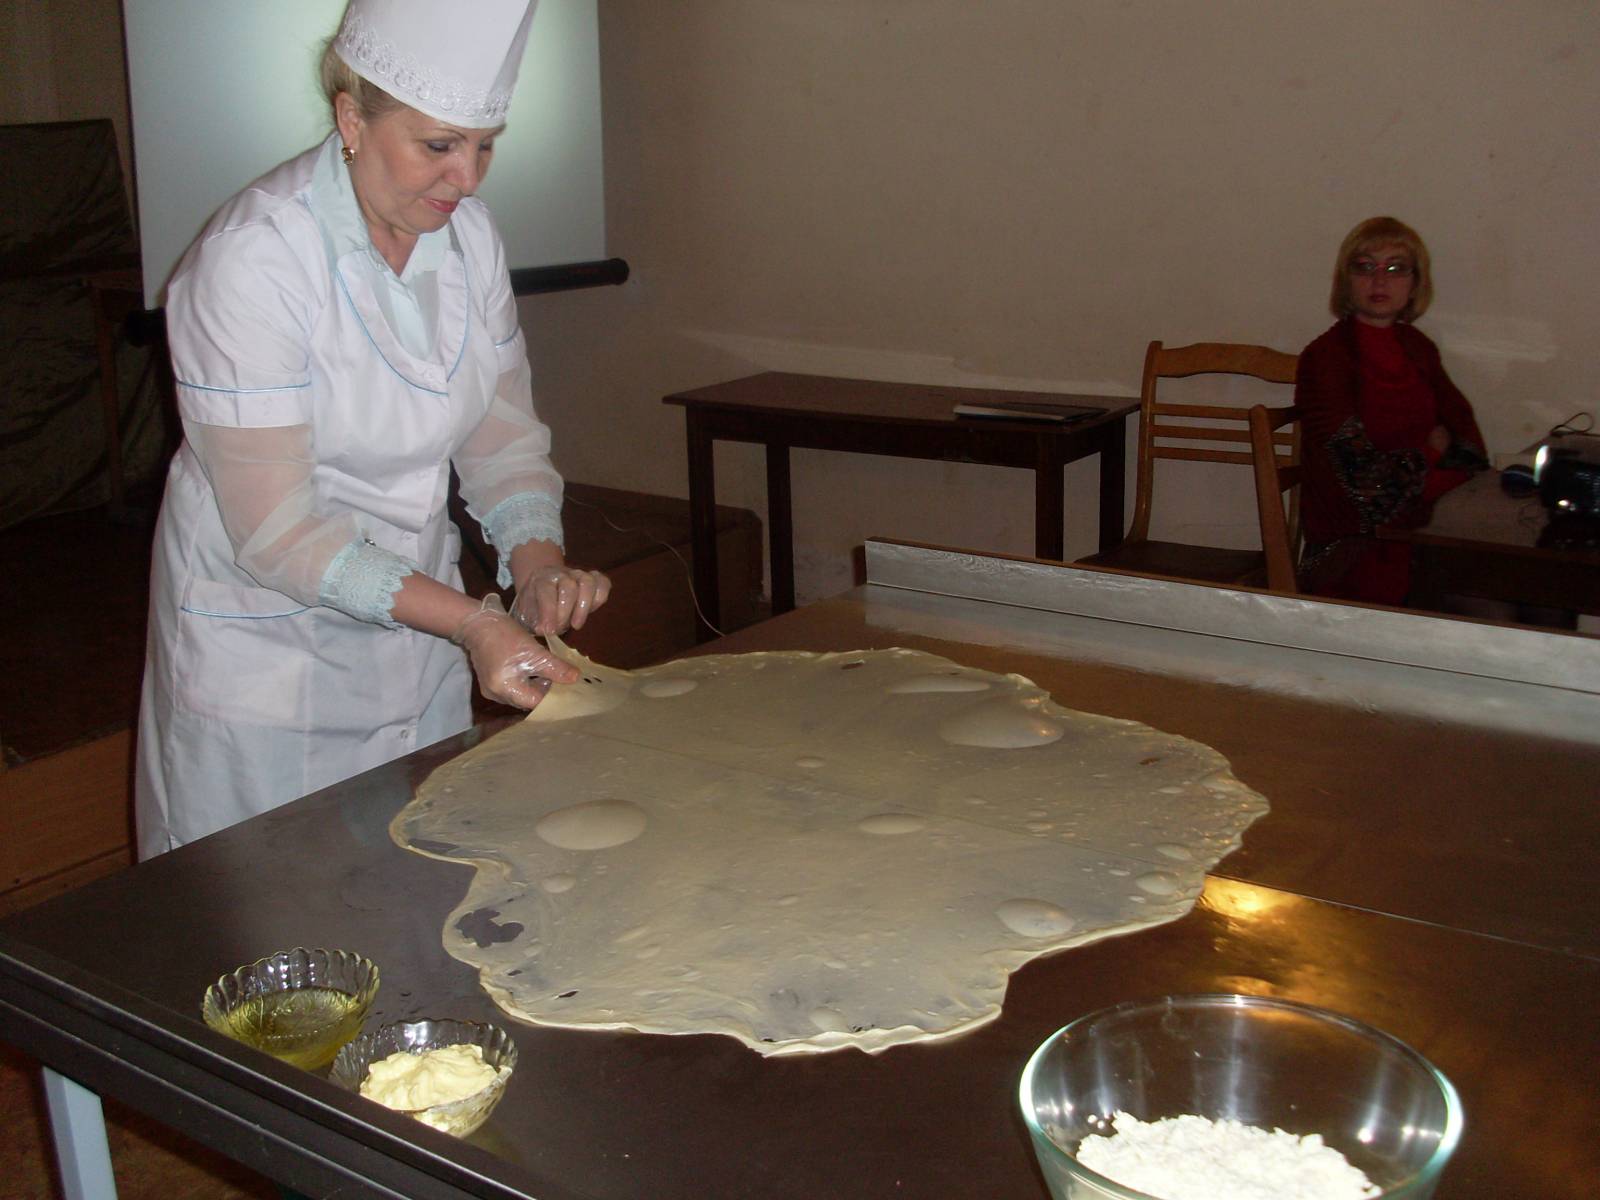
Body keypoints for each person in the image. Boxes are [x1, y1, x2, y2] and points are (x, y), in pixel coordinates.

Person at [135, 0, 610, 859]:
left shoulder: (468, 240)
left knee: (413, 894)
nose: (468, 179)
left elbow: (501, 437)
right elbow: (280, 533)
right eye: (439, 145)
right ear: (352, 119)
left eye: (486, 145)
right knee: (275, 914)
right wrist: (471, 623)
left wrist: (537, 563)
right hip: (269, 667)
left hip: (419, 640)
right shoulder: (252, 260)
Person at [1294, 216, 1487, 605]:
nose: (1379, 280)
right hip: (1356, 546)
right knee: (1492, 603)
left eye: (1396, 268)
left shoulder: (1418, 347)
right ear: (1346, 280)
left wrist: (1419, 473)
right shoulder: (1326, 357)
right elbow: (1364, 485)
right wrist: (1430, 454)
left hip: (1423, 527)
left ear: (1416, 283)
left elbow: (1468, 446)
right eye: (1365, 267)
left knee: (1534, 592)